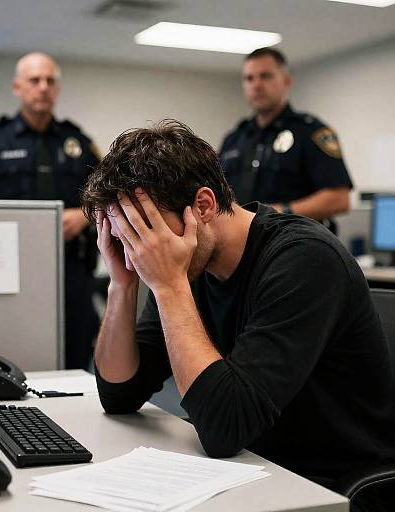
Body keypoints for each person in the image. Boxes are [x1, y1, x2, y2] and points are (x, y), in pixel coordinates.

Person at [81, 120, 395, 512]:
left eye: (145, 233)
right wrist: (122, 284)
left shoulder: (303, 258)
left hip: (328, 485)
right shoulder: (185, 262)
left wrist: (168, 285)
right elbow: (119, 392)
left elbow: (224, 427)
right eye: (125, 237)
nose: (138, 253)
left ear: (204, 206)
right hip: (252, 468)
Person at [0, 52, 100, 370]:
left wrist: (84, 214)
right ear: (18, 87)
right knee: (13, 351)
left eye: (50, 80)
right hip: (10, 270)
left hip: (70, 266)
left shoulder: (77, 142)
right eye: (34, 80)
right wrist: (6, 223)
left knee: (75, 351)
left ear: (57, 88)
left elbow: (108, 195)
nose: (43, 87)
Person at [219, 48, 352, 226]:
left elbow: (340, 199)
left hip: (294, 242)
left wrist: (280, 211)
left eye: (265, 76)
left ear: (286, 81)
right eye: (249, 78)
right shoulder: (234, 139)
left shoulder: (310, 132)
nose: (256, 85)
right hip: (242, 246)